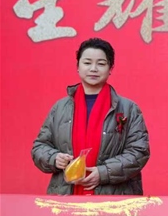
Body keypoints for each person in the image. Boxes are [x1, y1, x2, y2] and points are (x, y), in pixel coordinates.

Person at [32, 38, 150, 195]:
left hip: (113, 197)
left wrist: (103, 173)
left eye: (101, 64)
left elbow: (139, 152)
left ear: (110, 68)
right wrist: (54, 158)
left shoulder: (129, 109)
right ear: (78, 67)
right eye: (87, 63)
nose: (93, 69)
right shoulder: (60, 108)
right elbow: (39, 147)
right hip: (66, 194)